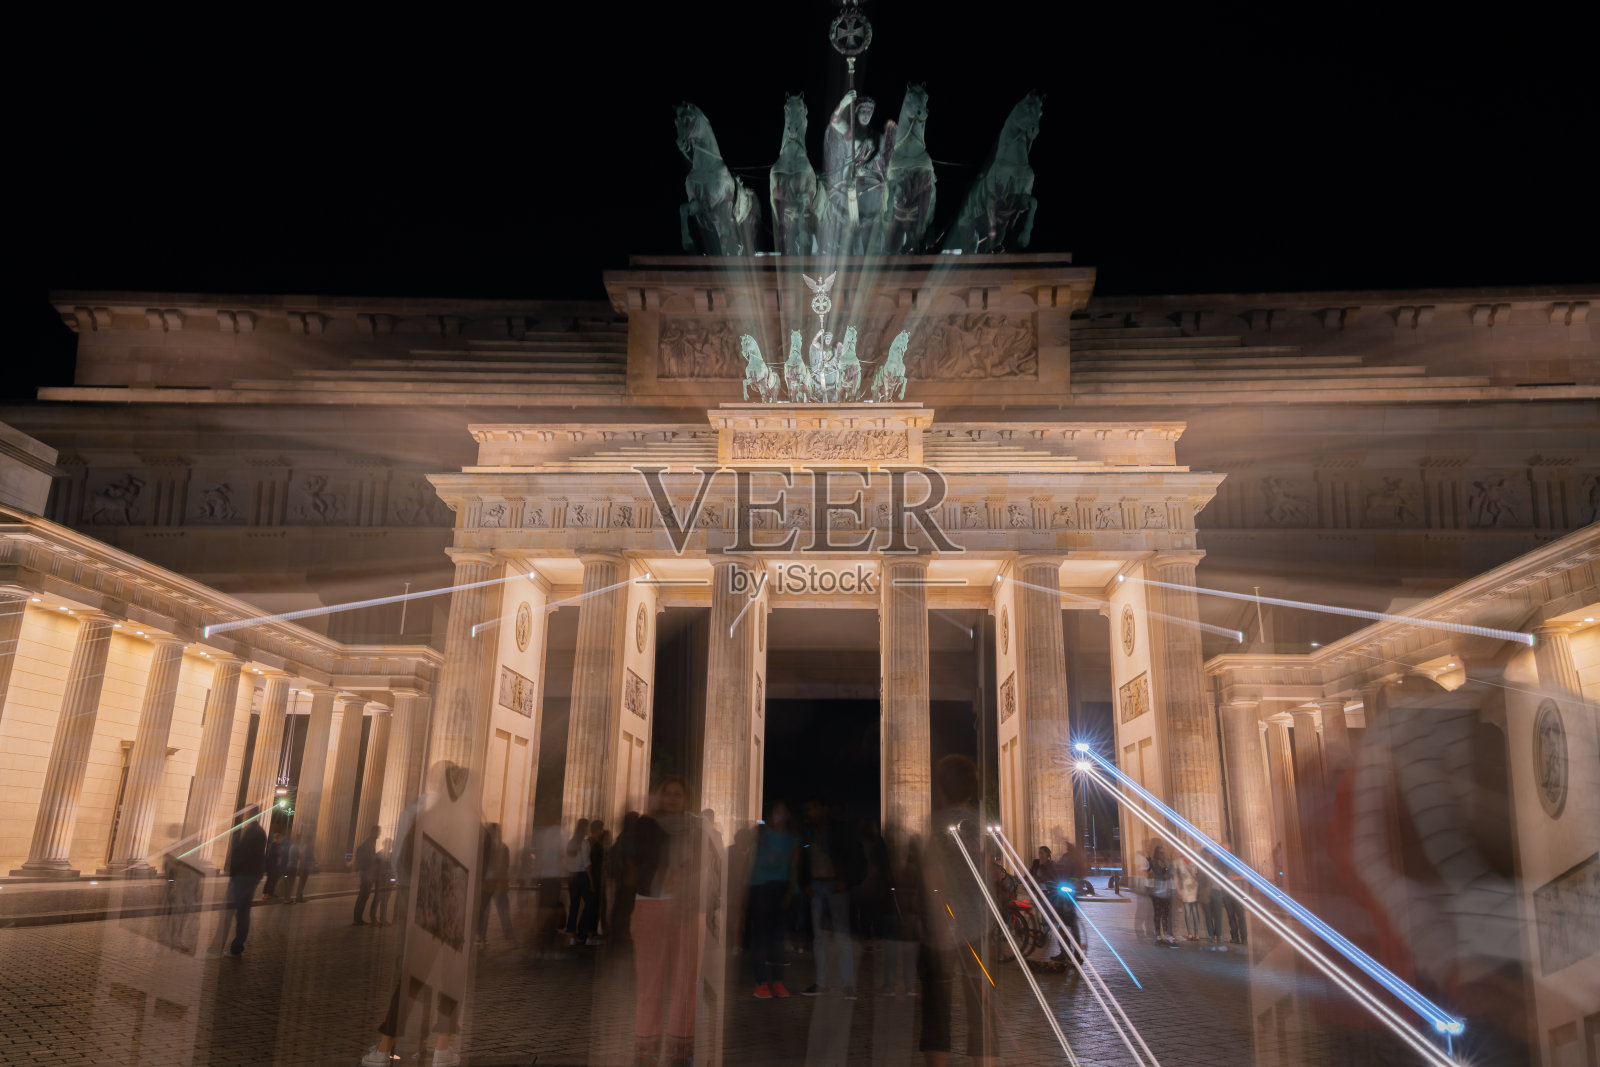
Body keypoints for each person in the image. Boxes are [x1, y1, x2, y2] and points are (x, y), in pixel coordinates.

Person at [920, 755, 999, 1066]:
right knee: (981, 1008)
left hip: (943, 930)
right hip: (980, 924)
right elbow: (988, 869)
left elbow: (934, 875)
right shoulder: (982, 823)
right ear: (972, 786)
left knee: (937, 1010)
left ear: (940, 787)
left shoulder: (935, 824)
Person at [632, 775, 714, 1067]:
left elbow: (707, 860)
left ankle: (681, 1049)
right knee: (649, 981)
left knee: (685, 981)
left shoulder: (698, 826)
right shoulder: (644, 824)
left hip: (689, 907)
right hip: (651, 904)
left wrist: (684, 871)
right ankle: (646, 1047)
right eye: (667, 792)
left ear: (686, 797)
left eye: (678, 793)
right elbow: (634, 858)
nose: (672, 798)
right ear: (659, 795)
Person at [799, 797, 864, 998]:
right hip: (817, 885)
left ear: (823, 809)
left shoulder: (839, 830)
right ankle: (821, 983)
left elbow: (855, 856)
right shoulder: (808, 832)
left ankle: (848, 985)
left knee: (842, 936)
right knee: (820, 938)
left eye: (813, 808)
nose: (809, 812)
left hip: (836, 886)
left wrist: (847, 881)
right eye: (807, 809)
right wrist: (805, 884)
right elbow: (802, 858)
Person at [748, 800, 798, 998]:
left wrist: (790, 892)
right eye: (776, 812)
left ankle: (777, 981)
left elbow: (794, 866)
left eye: (783, 812)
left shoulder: (792, 839)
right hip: (759, 887)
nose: (780, 816)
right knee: (760, 937)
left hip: (780, 887)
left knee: (777, 938)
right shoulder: (761, 835)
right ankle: (760, 982)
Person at [212, 806, 267, 957]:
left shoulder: (256, 832)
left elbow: (251, 856)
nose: (243, 816)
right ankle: (232, 945)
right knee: (238, 912)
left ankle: (227, 946)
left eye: (246, 813)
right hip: (242, 876)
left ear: (252, 815)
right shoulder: (249, 831)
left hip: (245, 877)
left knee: (233, 912)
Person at [477, 822, 513, 947]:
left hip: (488, 882)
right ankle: (509, 937)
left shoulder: (486, 847)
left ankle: (481, 937)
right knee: (503, 911)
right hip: (498, 882)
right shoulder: (504, 848)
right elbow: (505, 867)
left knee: (484, 911)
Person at [610, 812, 641, 945]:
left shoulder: (622, 836)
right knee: (625, 905)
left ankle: (619, 931)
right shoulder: (631, 837)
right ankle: (621, 932)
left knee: (622, 904)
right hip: (628, 876)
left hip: (623, 876)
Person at [564, 817, 593, 944]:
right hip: (582, 876)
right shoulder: (584, 843)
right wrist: (591, 881)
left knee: (574, 905)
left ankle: (571, 933)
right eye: (588, 826)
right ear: (584, 827)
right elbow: (586, 864)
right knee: (590, 903)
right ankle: (584, 930)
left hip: (572, 877)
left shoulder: (571, 842)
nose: (589, 829)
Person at [1149, 843, 1177, 946]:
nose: (1162, 854)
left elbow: (1170, 874)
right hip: (1157, 891)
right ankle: (1158, 936)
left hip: (1166, 890)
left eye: (1163, 852)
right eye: (1160, 852)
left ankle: (1166, 935)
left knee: (1166, 913)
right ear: (1156, 853)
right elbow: (1152, 875)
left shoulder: (1166, 862)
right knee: (1158, 913)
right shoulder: (1153, 863)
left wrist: (1167, 871)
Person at [354, 824, 382, 925]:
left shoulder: (371, 842)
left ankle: (358, 918)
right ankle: (357, 919)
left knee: (364, 896)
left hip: (367, 873)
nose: (379, 834)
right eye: (378, 832)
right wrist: (376, 858)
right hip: (366, 873)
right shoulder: (368, 843)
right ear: (373, 832)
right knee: (363, 896)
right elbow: (368, 857)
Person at [585, 820, 607, 944]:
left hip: (591, 879)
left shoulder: (587, 842)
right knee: (595, 908)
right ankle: (591, 934)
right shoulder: (596, 845)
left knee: (590, 907)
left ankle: (589, 933)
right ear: (598, 830)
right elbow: (595, 864)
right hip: (596, 880)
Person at [371, 837, 395, 925]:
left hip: (388, 881)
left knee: (385, 900)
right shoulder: (379, 855)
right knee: (377, 899)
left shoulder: (391, 855)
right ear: (385, 844)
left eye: (391, 845)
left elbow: (393, 868)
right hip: (381, 880)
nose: (390, 846)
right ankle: (373, 918)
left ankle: (383, 918)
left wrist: (393, 879)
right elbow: (375, 868)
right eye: (389, 844)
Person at [1178, 855, 1202, 942]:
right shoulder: (1180, 863)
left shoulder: (1194, 862)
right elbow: (1179, 878)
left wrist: (1196, 882)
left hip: (1194, 889)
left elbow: (1198, 875)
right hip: (1185, 890)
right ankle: (1190, 933)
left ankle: (1197, 934)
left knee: (1195, 912)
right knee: (1187, 912)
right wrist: (1179, 891)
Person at [263, 829, 288, 899]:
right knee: (270, 881)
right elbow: (273, 856)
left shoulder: (277, 846)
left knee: (273, 881)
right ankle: (266, 894)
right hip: (272, 867)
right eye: (280, 839)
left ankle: (270, 893)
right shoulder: (273, 846)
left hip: (276, 867)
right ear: (277, 839)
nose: (281, 840)